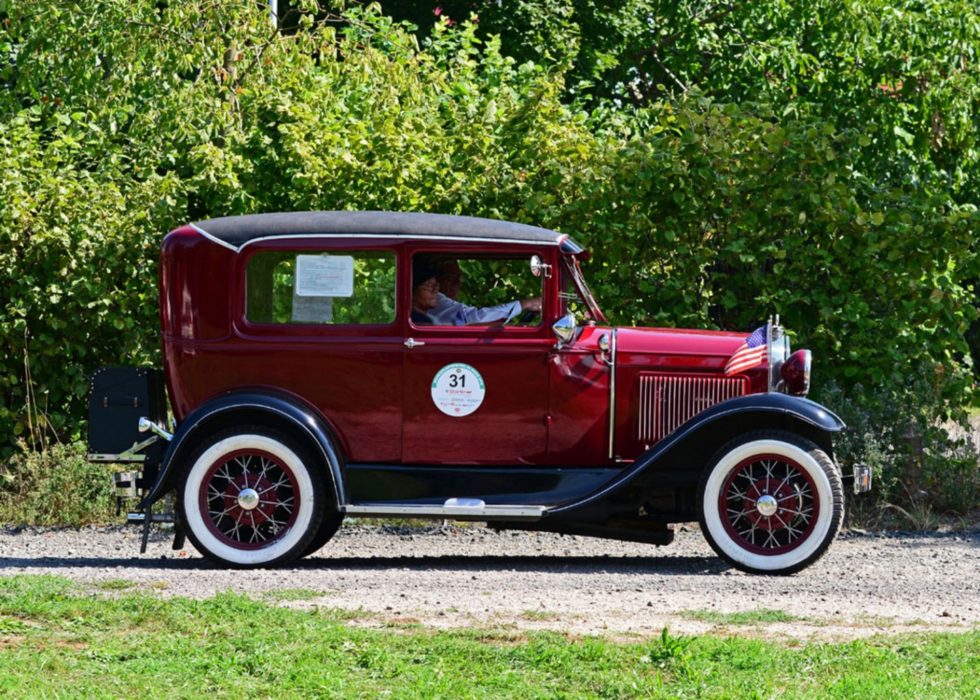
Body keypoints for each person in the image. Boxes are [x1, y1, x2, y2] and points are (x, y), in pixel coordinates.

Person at [426, 258, 541, 325]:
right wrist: (526, 304)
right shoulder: (433, 298)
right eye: (451, 278)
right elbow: (472, 319)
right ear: (436, 280)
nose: (458, 283)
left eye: (459, 278)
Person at [410, 261, 441, 325]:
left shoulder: (428, 319)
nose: (435, 290)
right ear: (411, 291)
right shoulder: (418, 322)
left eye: (436, 285)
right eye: (428, 286)